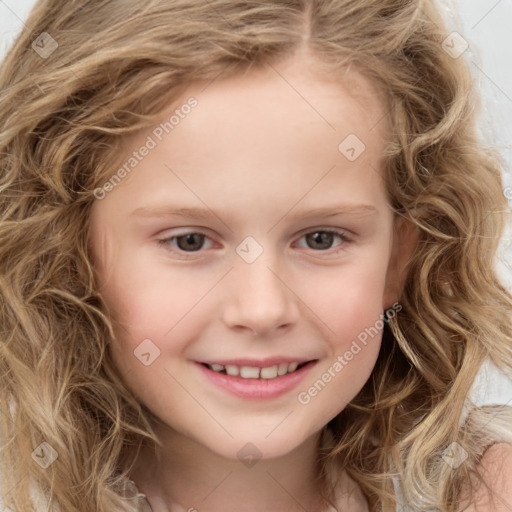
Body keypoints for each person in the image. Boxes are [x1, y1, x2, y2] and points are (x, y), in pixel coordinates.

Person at [0, 0, 511, 511]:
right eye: (189, 241)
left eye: (321, 239)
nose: (263, 309)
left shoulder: (485, 491)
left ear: (399, 260)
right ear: (67, 253)